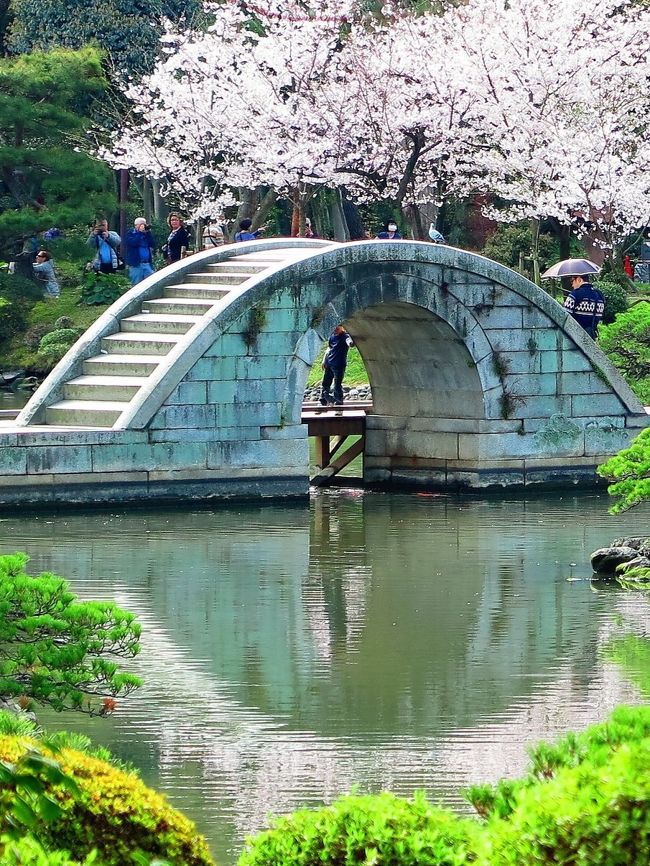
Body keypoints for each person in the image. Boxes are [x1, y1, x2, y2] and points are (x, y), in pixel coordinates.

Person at [562, 273, 604, 339]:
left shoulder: (575, 294)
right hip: (593, 336)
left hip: (576, 337)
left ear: (579, 279)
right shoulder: (599, 295)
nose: (572, 285)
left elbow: (564, 316)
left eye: (572, 281)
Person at [320, 325, 354, 406]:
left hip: (339, 364)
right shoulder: (332, 336)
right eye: (334, 328)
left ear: (342, 328)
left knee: (337, 384)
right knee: (326, 382)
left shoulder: (345, 336)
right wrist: (324, 360)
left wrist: (351, 343)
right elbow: (329, 349)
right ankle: (323, 399)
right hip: (329, 363)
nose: (335, 330)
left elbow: (349, 342)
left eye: (337, 328)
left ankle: (338, 400)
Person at [125, 217, 156, 286]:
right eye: (142, 224)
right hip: (136, 265)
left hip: (147, 264)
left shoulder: (146, 234)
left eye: (144, 224)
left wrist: (148, 233)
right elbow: (134, 243)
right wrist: (139, 233)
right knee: (136, 286)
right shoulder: (130, 234)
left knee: (150, 285)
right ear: (136, 225)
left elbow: (152, 244)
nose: (143, 226)